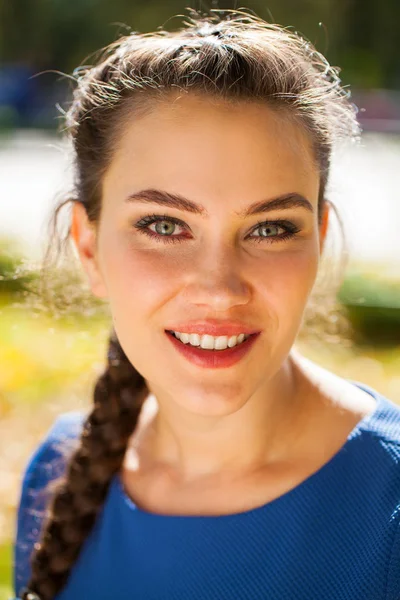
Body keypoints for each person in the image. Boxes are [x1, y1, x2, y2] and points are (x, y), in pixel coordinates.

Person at [13, 9, 400, 600]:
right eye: (165, 225)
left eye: (270, 228)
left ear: (318, 238)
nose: (219, 288)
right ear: (88, 247)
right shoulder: (58, 474)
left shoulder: (388, 508)